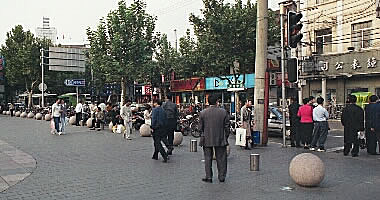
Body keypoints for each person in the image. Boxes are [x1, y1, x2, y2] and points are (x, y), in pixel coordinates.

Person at [199, 94, 229, 183]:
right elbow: (227, 126)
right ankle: (222, 176)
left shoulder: (203, 113)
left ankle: (209, 177)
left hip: (207, 138)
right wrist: (225, 136)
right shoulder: (223, 112)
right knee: (221, 158)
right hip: (220, 137)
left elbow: (200, 128)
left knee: (208, 158)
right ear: (217, 102)